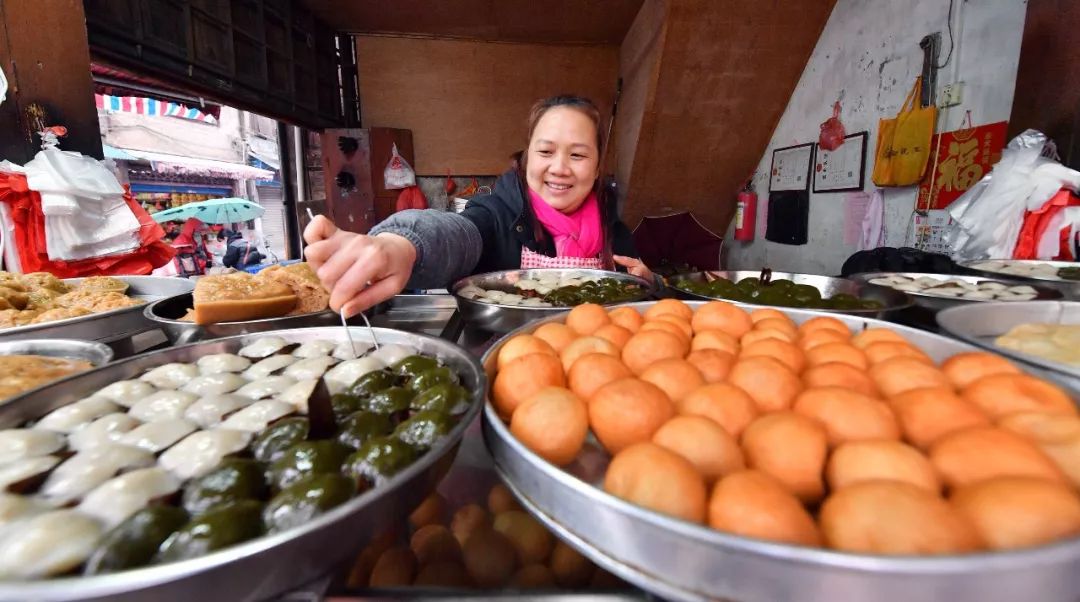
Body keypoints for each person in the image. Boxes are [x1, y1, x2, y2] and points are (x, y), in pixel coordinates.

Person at [304, 95, 653, 316]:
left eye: (577, 155)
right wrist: (400, 245)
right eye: (545, 151)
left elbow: (629, 302)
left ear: (595, 167)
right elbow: (457, 234)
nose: (559, 167)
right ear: (527, 157)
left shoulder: (613, 228)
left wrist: (651, 285)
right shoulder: (497, 213)